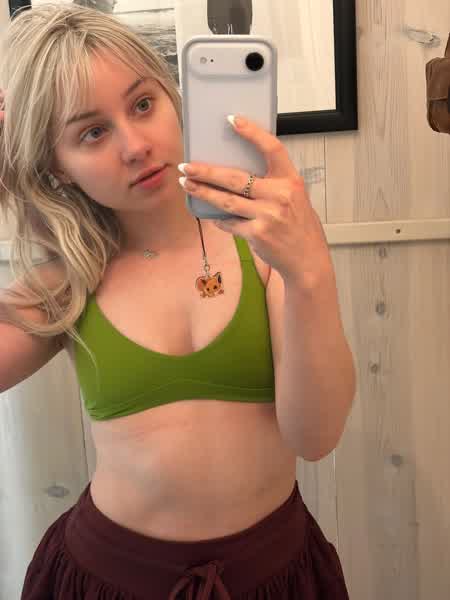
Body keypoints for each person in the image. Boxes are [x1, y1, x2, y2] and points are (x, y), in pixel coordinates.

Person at [0, 4, 356, 599]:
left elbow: (316, 438)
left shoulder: (267, 252)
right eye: (92, 132)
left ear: (173, 98)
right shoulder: (68, 281)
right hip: (107, 579)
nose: (136, 145)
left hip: (276, 576)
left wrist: (310, 272)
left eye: (143, 104)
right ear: (57, 167)